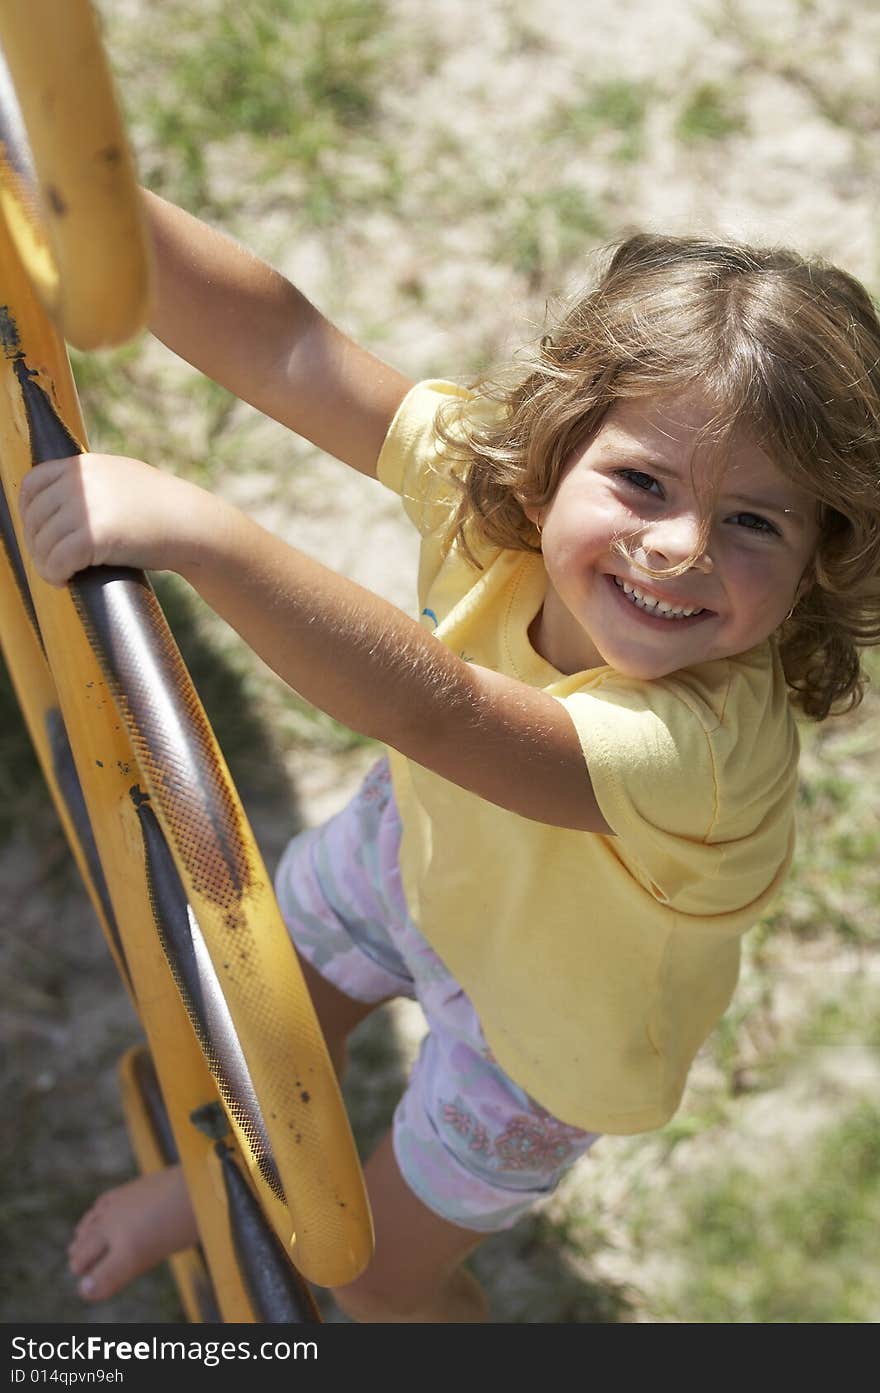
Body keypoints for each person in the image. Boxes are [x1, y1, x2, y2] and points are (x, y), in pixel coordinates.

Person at [19, 193, 880, 1322]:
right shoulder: (502, 494)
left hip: (543, 1030)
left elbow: (440, 714)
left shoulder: (702, 746)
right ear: (551, 456)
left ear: (824, 557)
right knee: (262, 1015)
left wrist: (206, 536)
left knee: (371, 1274)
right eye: (643, 483)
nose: (678, 545)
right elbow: (286, 346)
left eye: (754, 523)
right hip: (415, 858)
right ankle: (223, 1178)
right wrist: (76, 205)